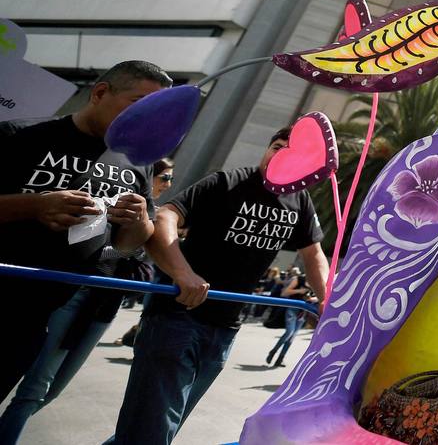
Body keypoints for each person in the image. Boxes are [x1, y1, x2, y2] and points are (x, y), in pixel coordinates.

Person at [106, 126, 326, 445]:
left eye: (291, 152)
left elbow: (313, 253)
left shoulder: (300, 202)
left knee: (155, 427)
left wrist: (327, 299)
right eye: (277, 146)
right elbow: (166, 216)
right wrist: (183, 273)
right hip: (176, 318)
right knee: (152, 431)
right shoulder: (227, 182)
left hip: (225, 330)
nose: (280, 155)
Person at [0, 60, 167, 403]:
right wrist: (35, 205)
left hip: (36, 320)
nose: (147, 120)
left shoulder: (137, 162)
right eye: (138, 105)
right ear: (100, 93)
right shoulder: (20, 135)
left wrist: (137, 221)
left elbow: (128, 244)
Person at [0, 156, 173, 444]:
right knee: (36, 388)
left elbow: (132, 251)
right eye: (165, 177)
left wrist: (137, 229)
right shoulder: (106, 184)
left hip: (104, 303)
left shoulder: (142, 203)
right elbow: (107, 250)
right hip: (72, 291)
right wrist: (119, 249)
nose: (168, 184)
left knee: (51, 389)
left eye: (170, 179)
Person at [265, 272, 310, 367]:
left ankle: (280, 359)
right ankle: (273, 351)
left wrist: (314, 298)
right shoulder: (299, 279)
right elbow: (285, 292)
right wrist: (299, 291)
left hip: (303, 312)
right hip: (292, 309)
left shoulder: (317, 283)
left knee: (292, 337)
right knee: (289, 332)